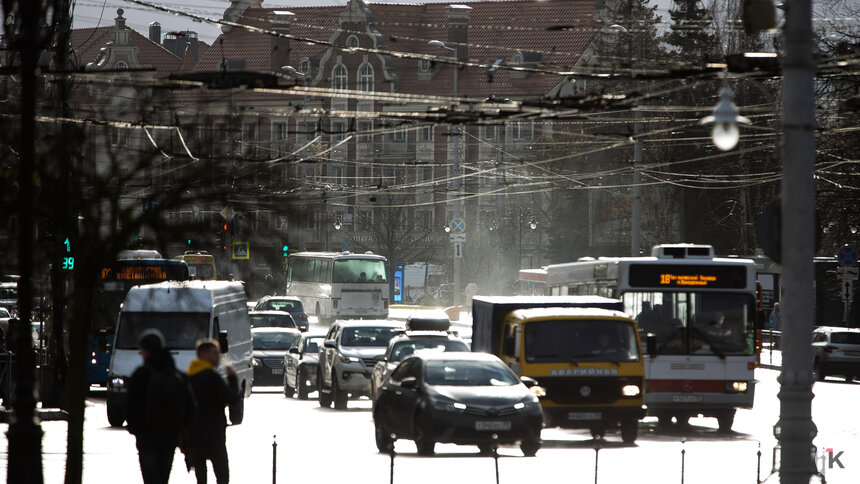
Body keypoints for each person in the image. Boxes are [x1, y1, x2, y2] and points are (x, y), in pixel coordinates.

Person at [126, 329, 195, 484]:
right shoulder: (177, 375)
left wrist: (136, 429)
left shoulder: (140, 375)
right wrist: (179, 429)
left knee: (150, 479)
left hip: (146, 438)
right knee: (163, 478)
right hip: (170, 437)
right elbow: (190, 408)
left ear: (144, 351)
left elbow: (130, 406)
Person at [184, 339, 240, 484]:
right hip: (213, 436)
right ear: (203, 354)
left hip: (194, 437)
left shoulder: (189, 376)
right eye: (214, 353)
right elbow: (232, 398)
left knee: (201, 478)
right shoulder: (212, 377)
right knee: (222, 476)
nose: (218, 357)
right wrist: (233, 378)